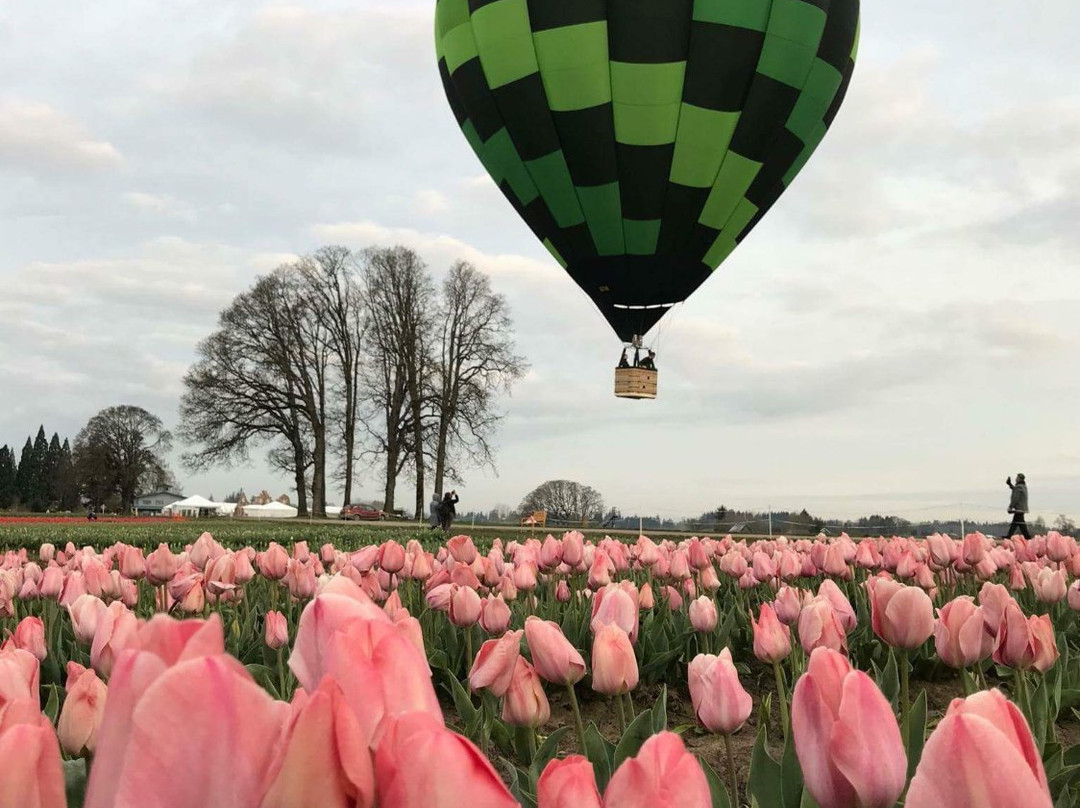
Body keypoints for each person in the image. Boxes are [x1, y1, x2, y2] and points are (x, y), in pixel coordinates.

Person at [1005, 473, 1032, 540]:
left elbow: (1015, 497)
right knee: (1017, 523)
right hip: (1022, 508)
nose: (1016, 479)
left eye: (1017, 477)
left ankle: (1027, 537)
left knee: (1019, 523)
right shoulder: (1023, 486)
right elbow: (1015, 490)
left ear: (1019, 478)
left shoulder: (1018, 487)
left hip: (1019, 508)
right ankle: (1009, 535)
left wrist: (1010, 507)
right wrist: (1010, 484)